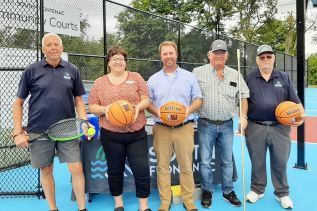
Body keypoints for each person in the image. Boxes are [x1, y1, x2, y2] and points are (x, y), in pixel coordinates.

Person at [12, 33, 88, 211]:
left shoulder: (72, 70)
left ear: (62, 48)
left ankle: (82, 208)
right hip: (39, 130)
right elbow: (18, 102)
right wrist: (18, 132)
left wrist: (83, 121)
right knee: (46, 169)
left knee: (76, 168)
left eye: (57, 44)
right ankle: (53, 208)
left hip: (68, 128)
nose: (53, 47)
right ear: (42, 49)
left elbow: (78, 99)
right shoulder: (31, 70)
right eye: (49, 44)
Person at [88, 47, 151, 211]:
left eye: (121, 58)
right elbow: (93, 107)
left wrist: (137, 108)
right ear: (108, 62)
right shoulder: (99, 82)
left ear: (125, 62)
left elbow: (146, 100)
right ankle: (119, 203)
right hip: (111, 135)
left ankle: (143, 206)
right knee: (115, 170)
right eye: (114, 58)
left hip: (136, 133)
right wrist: (106, 109)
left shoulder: (136, 77)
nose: (117, 61)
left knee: (142, 169)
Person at [244, 44, 305, 209]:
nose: (265, 60)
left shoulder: (283, 77)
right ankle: (257, 189)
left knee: (280, 161)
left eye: (268, 57)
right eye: (262, 57)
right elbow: (243, 102)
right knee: (257, 161)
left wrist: (301, 116)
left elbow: (296, 103)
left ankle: (282, 193)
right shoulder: (249, 78)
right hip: (255, 126)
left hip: (280, 127)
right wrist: (243, 119)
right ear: (257, 60)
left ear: (273, 59)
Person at [192, 39, 249, 208]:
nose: (219, 56)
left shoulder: (235, 74)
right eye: (215, 53)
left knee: (227, 161)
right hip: (205, 124)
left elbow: (243, 96)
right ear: (209, 55)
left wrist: (243, 116)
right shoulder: (197, 72)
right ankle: (207, 191)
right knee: (205, 160)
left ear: (227, 56)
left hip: (226, 125)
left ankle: (228, 191)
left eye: (222, 53)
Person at [147, 41, 203, 211]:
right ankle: (165, 201)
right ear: (161, 56)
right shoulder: (153, 79)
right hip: (161, 128)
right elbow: (148, 103)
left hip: (184, 127)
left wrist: (188, 110)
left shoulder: (189, 76)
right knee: (162, 166)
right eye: (165, 54)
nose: (168, 56)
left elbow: (198, 99)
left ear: (176, 54)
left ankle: (188, 200)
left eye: (171, 53)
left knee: (186, 166)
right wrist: (158, 113)